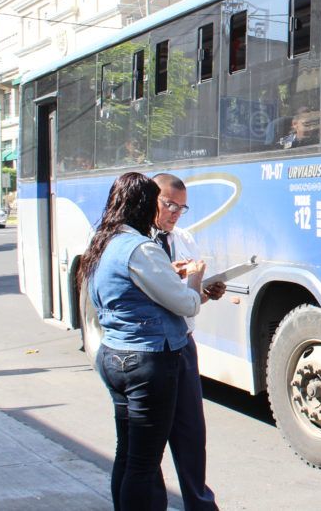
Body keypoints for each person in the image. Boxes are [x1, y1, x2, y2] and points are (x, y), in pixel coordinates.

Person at [80, 172, 205, 510]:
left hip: (114, 353)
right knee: (144, 463)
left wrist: (168, 274)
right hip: (147, 359)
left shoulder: (103, 242)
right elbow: (187, 303)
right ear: (143, 205)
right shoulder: (140, 248)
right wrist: (195, 278)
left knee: (128, 453)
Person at [153, 173, 224, 511]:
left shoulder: (183, 238)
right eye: (169, 204)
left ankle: (199, 503)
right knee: (150, 438)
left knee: (191, 432)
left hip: (183, 342)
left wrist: (206, 291)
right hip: (152, 350)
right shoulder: (139, 244)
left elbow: (189, 300)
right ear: (151, 199)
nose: (175, 213)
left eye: (182, 208)